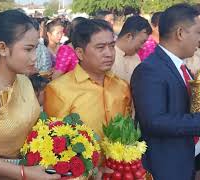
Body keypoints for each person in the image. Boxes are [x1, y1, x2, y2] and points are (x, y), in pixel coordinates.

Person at [0, 10, 61, 180]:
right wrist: (24, 173)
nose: (34, 58)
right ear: (2, 48)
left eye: (36, 48)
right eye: (28, 49)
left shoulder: (23, 80)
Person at [131, 4, 200, 179]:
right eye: (198, 32)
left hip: (185, 160)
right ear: (180, 33)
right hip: (166, 167)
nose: (199, 39)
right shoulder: (150, 70)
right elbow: (155, 121)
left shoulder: (179, 67)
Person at [44, 19, 132, 138]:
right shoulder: (59, 90)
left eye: (111, 46)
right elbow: (55, 143)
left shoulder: (122, 86)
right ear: (80, 53)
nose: (109, 53)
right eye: (100, 48)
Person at [111, 15, 151, 83]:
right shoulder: (108, 56)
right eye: (142, 42)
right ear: (129, 36)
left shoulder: (136, 58)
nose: (143, 47)